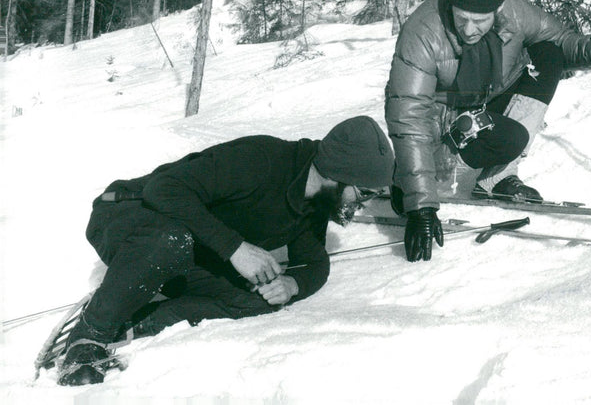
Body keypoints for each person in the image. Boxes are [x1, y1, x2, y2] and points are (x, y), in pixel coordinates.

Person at [57, 116, 394, 386]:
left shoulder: (314, 203)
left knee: (254, 301)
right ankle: (88, 336)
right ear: (338, 173)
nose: (362, 206)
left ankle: (136, 319)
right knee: (170, 240)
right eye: (363, 194)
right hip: (127, 213)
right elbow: (164, 190)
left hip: (186, 247)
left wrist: (292, 285)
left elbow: (315, 262)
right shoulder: (262, 159)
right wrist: (235, 249)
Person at [385, 0, 591, 262]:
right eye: (462, 19)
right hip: (439, 126)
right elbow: (408, 115)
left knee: (548, 54)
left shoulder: (514, 11)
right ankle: (415, 179)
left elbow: (559, 40)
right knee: (408, 197)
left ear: (497, 9)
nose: (470, 29)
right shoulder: (423, 30)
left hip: (480, 109)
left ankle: (498, 177)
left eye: (480, 20)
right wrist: (421, 206)